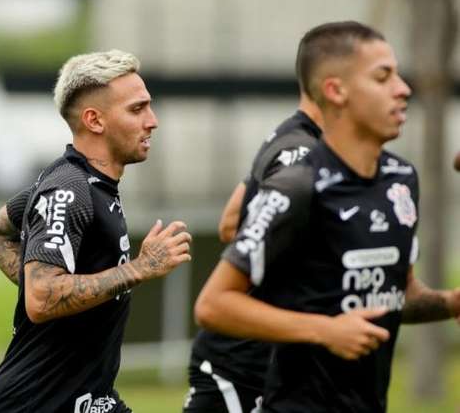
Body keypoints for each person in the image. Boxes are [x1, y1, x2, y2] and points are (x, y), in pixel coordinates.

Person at [195, 21, 460, 412]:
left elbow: (391, 297)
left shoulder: (402, 180)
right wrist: (325, 330)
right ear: (336, 91)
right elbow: (213, 305)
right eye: (383, 77)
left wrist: (453, 302)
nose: (403, 89)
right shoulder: (297, 187)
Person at [0, 49, 192, 412]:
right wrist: (139, 268)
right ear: (94, 120)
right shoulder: (69, 188)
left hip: (90, 399)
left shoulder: (90, 185)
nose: (152, 121)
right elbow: (42, 298)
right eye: (137, 109)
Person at [184, 84, 323, 409]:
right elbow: (230, 223)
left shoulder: (288, 138)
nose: (399, 90)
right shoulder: (300, 153)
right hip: (242, 364)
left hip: (280, 364)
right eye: (381, 77)